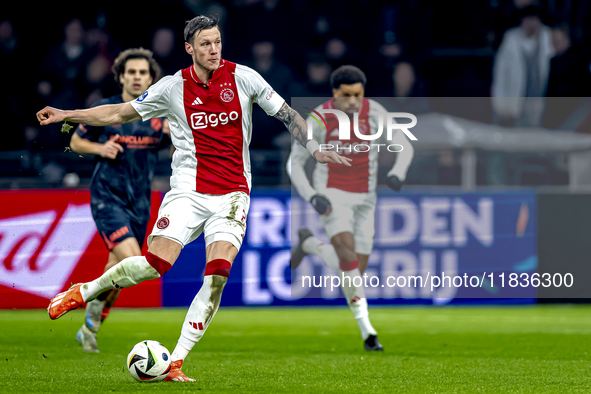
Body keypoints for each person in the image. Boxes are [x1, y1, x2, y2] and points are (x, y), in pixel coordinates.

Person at [37, 15, 349, 382]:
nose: (213, 49)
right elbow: (120, 112)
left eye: (217, 41)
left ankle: (176, 362)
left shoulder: (244, 77)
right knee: (155, 264)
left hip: (232, 195)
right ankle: (85, 291)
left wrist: (314, 147)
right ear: (190, 48)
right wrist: (67, 114)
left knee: (217, 275)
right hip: (188, 191)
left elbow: (286, 113)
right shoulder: (172, 87)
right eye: (205, 44)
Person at [287, 65, 415, 351]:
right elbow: (294, 162)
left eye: (358, 95)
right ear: (335, 94)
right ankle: (368, 331)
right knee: (347, 258)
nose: (354, 102)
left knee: (356, 267)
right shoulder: (319, 118)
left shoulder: (376, 113)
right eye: (347, 96)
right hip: (332, 195)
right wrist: (311, 196)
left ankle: (309, 245)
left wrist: (398, 173)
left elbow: (403, 145)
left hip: (366, 199)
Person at [68, 48, 168, 353]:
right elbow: (74, 141)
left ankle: (90, 326)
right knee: (131, 259)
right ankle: (87, 311)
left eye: (143, 73)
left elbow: (181, 146)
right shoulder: (105, 108)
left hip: (139, 203)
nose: (137, 77)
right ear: (121, 77)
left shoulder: (159, 115)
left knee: (119, 271)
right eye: (132, 72)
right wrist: (100, 149)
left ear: (151, 79)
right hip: (107, 197)